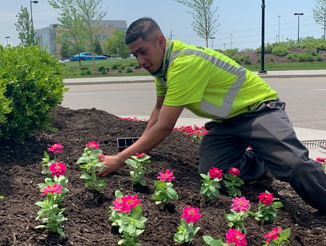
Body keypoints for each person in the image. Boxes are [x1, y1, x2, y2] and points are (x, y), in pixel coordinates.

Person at [97, 17, 326, 213]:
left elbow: (165, 127)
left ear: (160, 41)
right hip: (227, 123)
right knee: (212, 173)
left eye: (143, 52)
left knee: (294, 165)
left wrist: (120, 159)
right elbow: (158, 111)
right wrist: (136, 149)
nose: (140, 61)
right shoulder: (163, 69)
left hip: (258, 111)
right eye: (134, 55)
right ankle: (262, 162)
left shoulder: (184, 63)